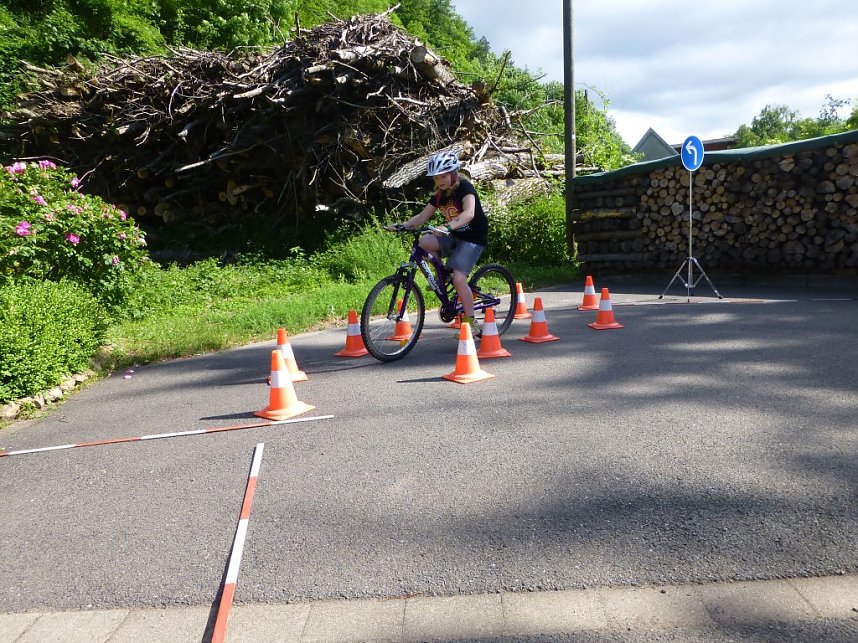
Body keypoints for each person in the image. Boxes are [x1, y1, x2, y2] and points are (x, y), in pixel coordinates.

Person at [392, 150, 489, 334]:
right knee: (424, 242)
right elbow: (422, 217)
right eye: (436, 178)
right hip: (454, 234)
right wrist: (401, 226)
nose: (440, 181)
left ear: (453, 173)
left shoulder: (465, 188)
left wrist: (447, 227)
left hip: (473, 238)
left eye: (443, 176)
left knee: (460, 279)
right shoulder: (439, 195)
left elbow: (469, 213)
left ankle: (471, 323)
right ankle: (442, 275)